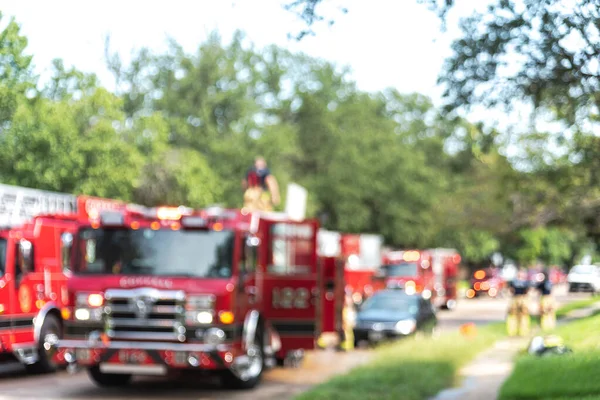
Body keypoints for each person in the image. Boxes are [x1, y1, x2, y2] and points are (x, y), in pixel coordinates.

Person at [506, 268, 531, 337]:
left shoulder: (524, 282)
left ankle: (522, 331)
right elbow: (511, 290)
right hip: (517, 299)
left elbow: (526, 291)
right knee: (513, 315)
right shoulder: (515, 282)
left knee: (523, 315)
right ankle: (514, 331)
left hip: (521, 299)